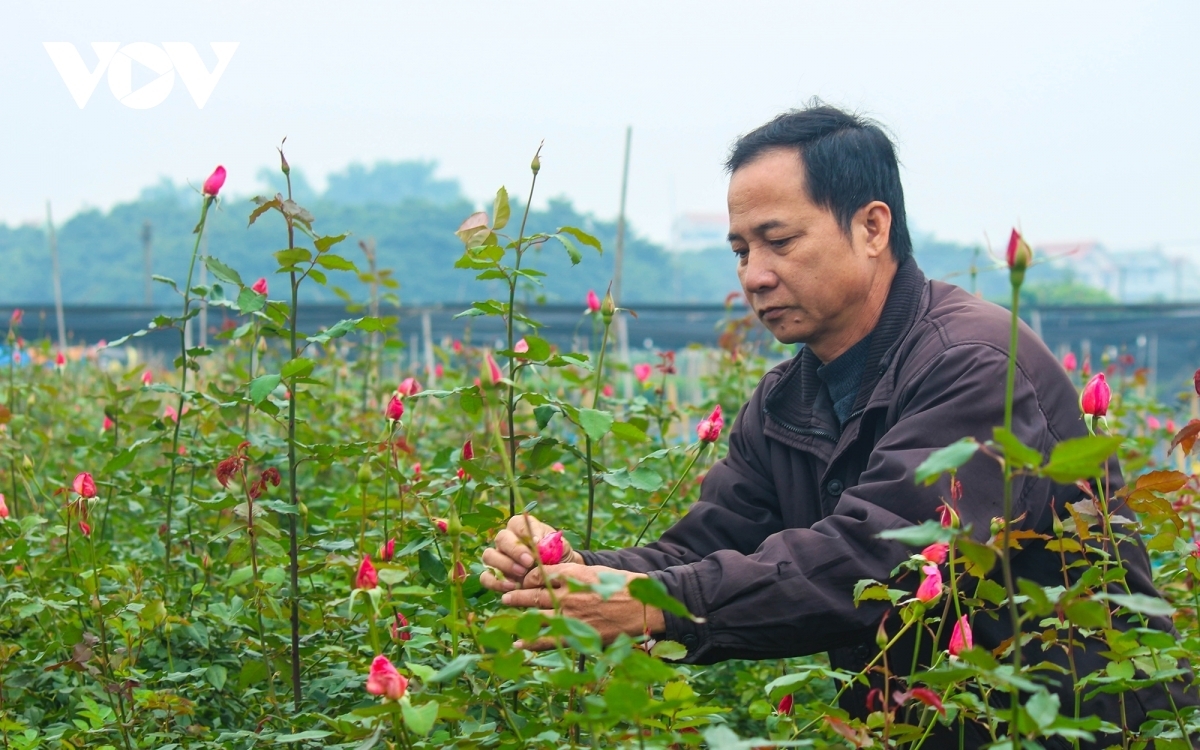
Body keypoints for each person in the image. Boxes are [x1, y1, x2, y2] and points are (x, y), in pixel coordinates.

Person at [479, 104, 1192, 743]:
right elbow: (704, 546)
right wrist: (570, 573)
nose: (754, 275)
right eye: (740, 250)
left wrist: (655, 609)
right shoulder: (790, 397)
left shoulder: (973, 362)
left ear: (872, 227)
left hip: (1074, 725)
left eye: (778, 241)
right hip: (916, 727)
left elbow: (879, 560)